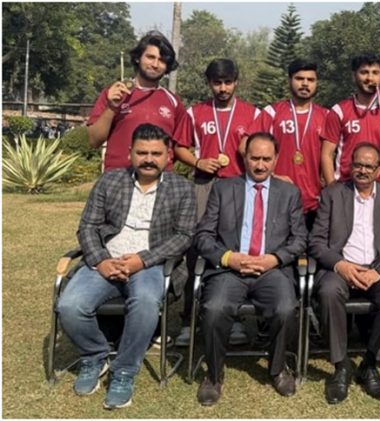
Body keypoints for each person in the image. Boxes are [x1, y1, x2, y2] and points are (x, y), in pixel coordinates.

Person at [56, 123, 196, 409]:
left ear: (168, 155)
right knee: (69, 305)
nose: (148, 159)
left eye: (156, 153)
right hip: (106, 259)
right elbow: (88, 227)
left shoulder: (182, 188)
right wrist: (100, 260)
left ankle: (124, 371)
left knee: (145, 302)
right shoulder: (110, 181)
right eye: (142, 152)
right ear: (130, 153)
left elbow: (184, 236)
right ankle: (95, 355)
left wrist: (141, 260)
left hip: (150, 263)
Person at [194, 132, 307, 405]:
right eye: (254, 158)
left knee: (284, 308)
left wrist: (275, 259)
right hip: (230, 270)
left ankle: (278, 368)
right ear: (244, 157)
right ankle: (214, 373)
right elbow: (203, 236)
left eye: (266, 159)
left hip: (271, 270)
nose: (260, 165)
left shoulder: (289, 193)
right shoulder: (223, 189)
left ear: (276, 159)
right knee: (214, 309)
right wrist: (228, 258)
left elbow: (300, 239)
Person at [309, 143, 380, 404]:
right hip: (341, 267)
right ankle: (341, 366)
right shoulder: (333, 194)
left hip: (378, 269)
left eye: (368, 166)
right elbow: (317, 241)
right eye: (357, 165)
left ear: (379, 169)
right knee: (329, 291)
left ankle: (371, 364)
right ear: (350, 165)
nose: (362, 170)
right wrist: (340, 265)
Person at [172, 58, 261, 348]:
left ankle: (232, 316)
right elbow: (179, 147)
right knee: (196, 247)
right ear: (209, 83)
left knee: (233, 246)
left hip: (238, 186)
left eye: (228, 82)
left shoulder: (252, 113)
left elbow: (260, 150)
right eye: (217, 82)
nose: (223, 88)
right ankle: (189, 318)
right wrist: (199, 160)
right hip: (203, 185)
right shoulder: (195, 112)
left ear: (236, 82)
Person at [86, 31, 186, 171]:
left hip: (160, 181)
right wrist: (112, 108)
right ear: (138, 58)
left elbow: (180, 147)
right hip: (119, 178)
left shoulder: (173, 101)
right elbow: (93, 141)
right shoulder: (115, 93)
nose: (155, 64)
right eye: (150, 57)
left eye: (162, 60)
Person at [249, 58, 329, 229]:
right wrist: (271, 175)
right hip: (278, 196)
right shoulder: (272, 112)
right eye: (300, 79)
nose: (305, 84)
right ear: (290, 80)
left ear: (316, 83)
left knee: (314, 252)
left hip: (315, 200)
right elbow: (245, 147)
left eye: (311, 80)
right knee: (280, 253)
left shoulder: (326, 116)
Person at [321, 53, 380, 187]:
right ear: (354, 76)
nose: (370, 78)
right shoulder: (338, 111)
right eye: (364, 72)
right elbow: (327, 154)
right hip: (346, 186)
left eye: (375, 72)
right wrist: (332, 189)